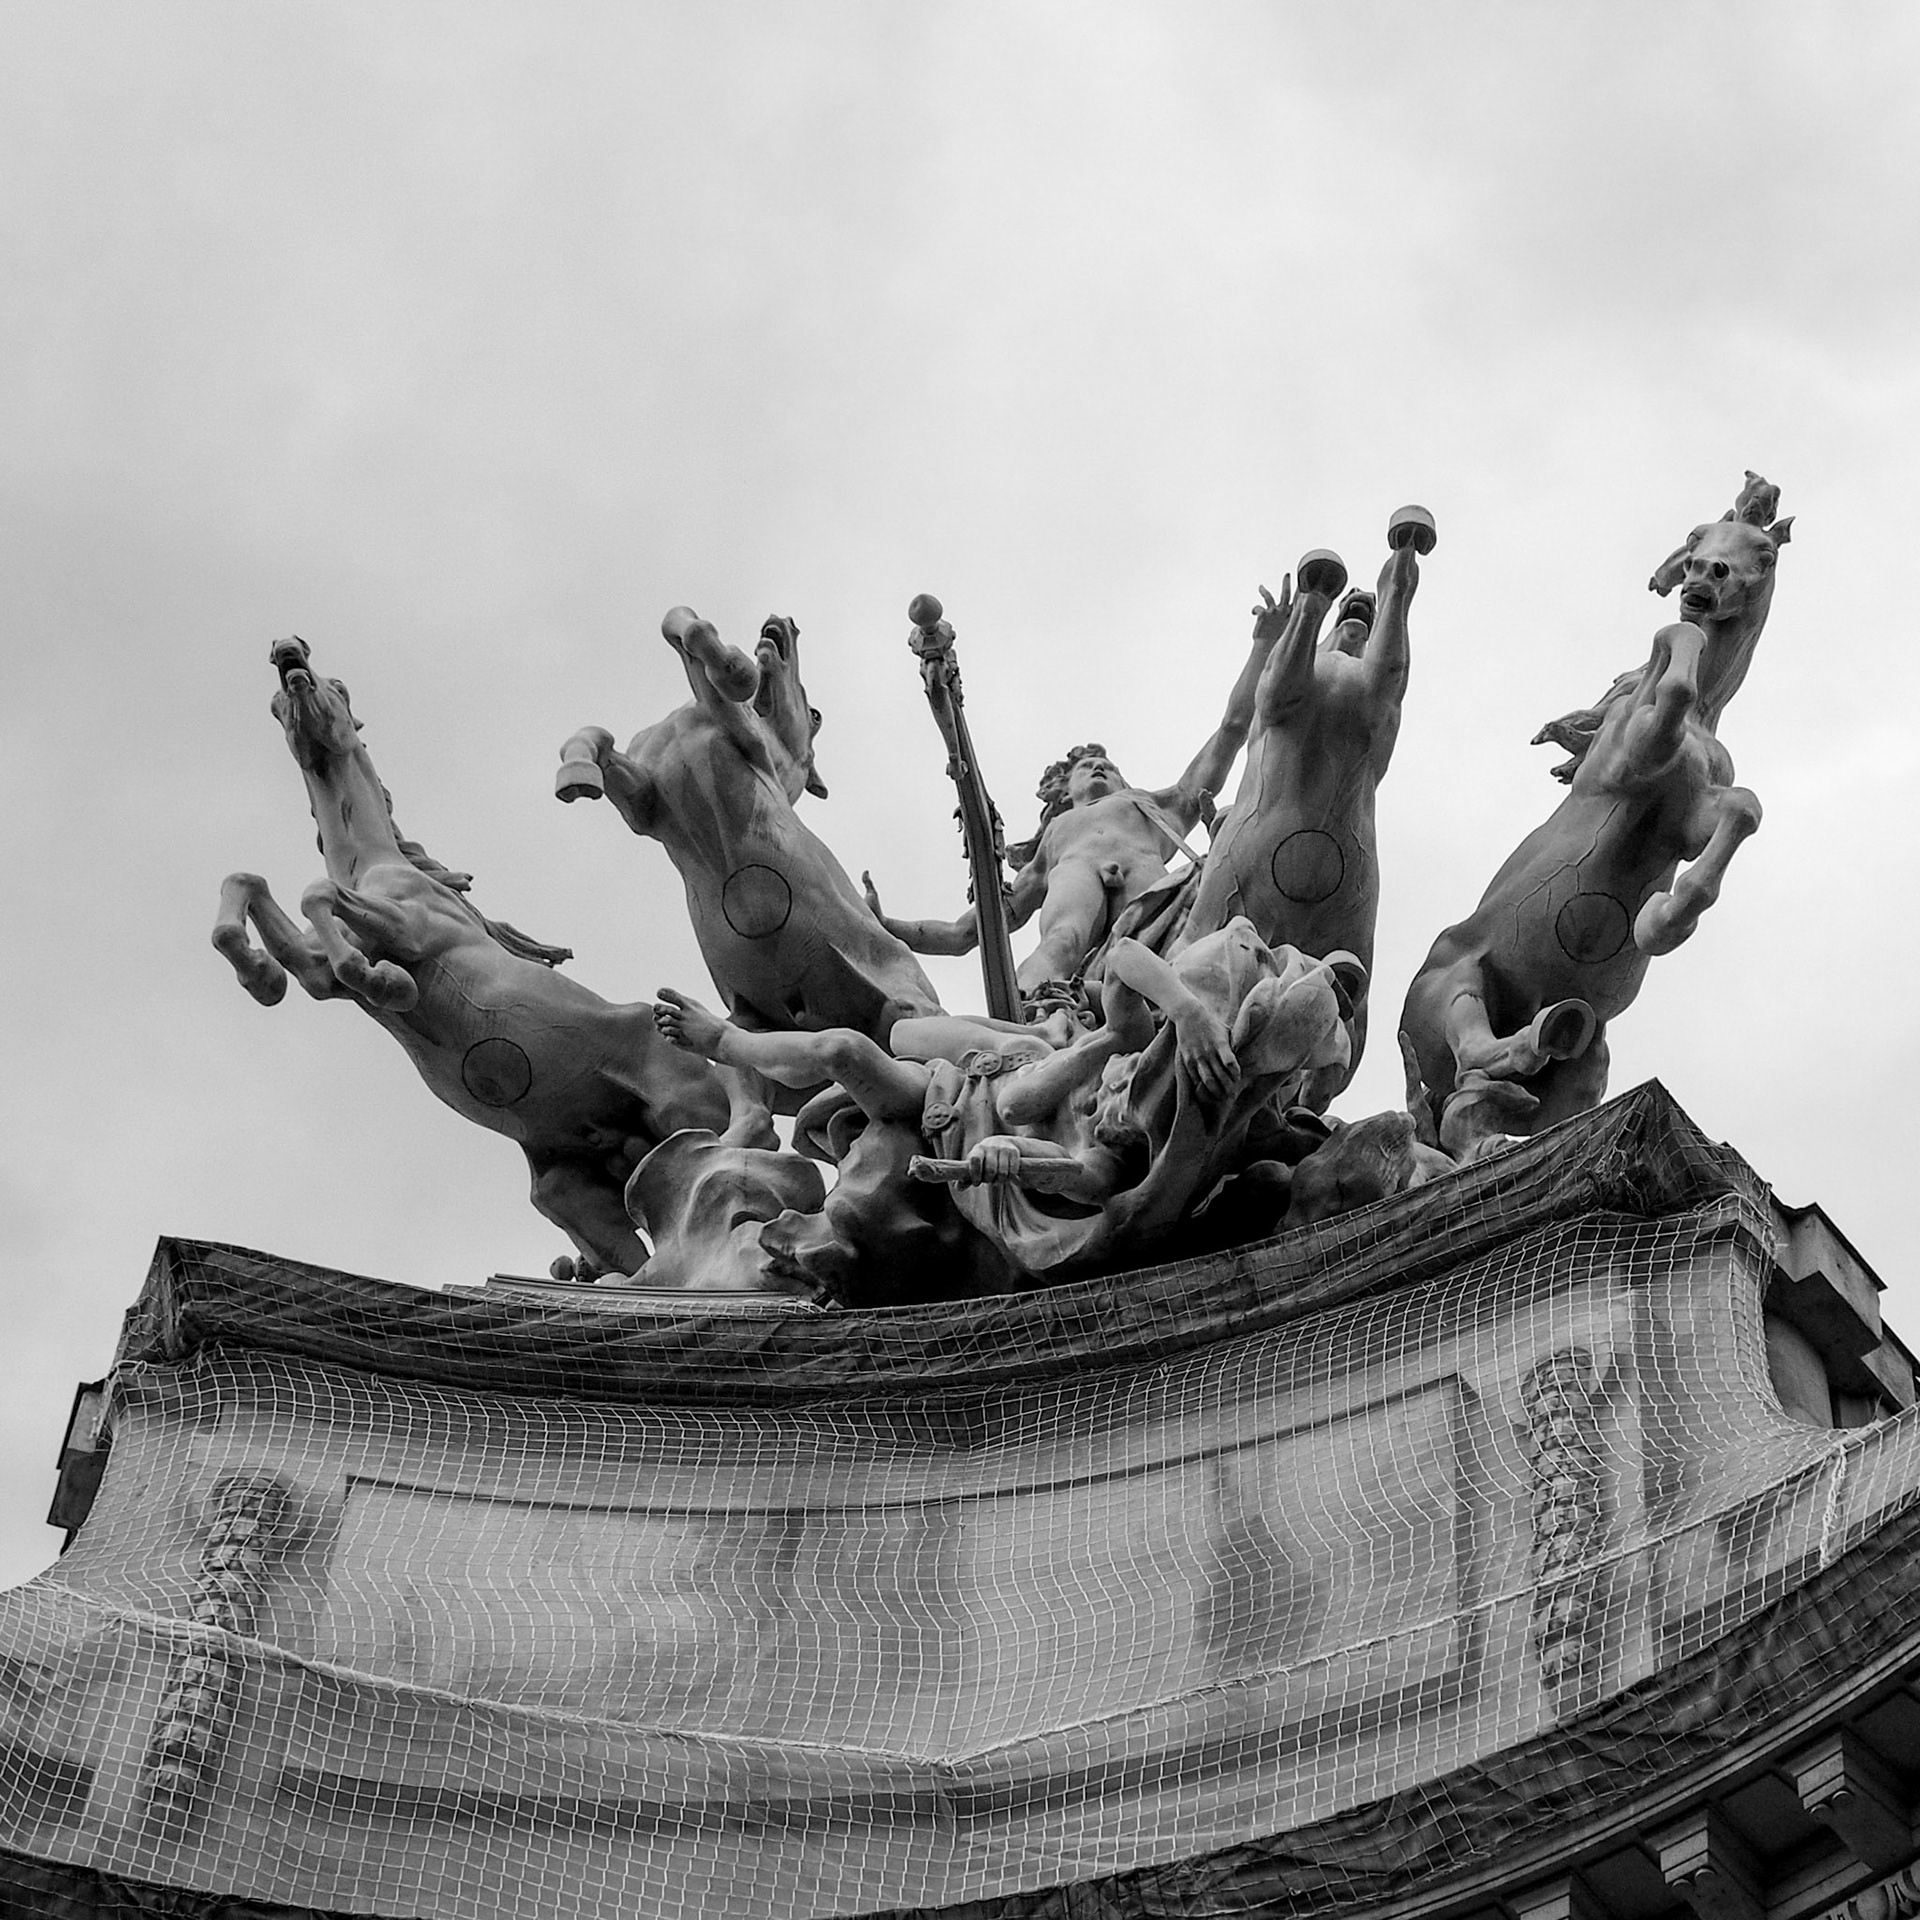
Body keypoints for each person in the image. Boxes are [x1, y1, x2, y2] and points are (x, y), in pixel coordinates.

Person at [863, 608, 1282, 1010]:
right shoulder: (1053, 842)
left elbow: (1230, 731)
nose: (1100, 766)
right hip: (1074, 878)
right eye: (1087, 767)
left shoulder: (1157, 807)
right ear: (1063, 789)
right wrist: (888, 926)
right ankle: (1032, 1010)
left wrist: (1263, 644)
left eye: (1110, 767)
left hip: (1156, 896)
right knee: (1061, 941)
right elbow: (967, 932)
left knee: (1174, 952)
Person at [1178, 529, 1422, 1087]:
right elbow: (1249, 713)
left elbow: (1244, 716)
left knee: (1195, 952)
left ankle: (1345, 597)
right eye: (1350, 623)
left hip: (1256, 843)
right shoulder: (1357, 684)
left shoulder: (1338, 680)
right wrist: (1271, 640)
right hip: (1346, 865)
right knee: (1345, 1002)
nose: (1354, 635)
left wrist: (1271, 640)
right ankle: (1392, 586)